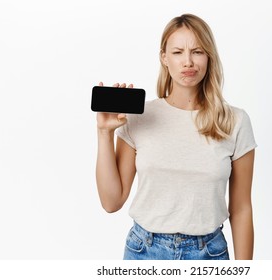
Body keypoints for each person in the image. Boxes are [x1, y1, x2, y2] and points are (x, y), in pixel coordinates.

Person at [95, 13, 257, 260]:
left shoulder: (235, 121)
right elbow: (111, 201)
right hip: (144, 252)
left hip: (209, 255)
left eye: (198, 51)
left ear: (209, 56)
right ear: (164, 58)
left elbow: (242, 208)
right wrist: (104, 133)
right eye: (178, 52)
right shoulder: (140, 117)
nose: (188, 62)